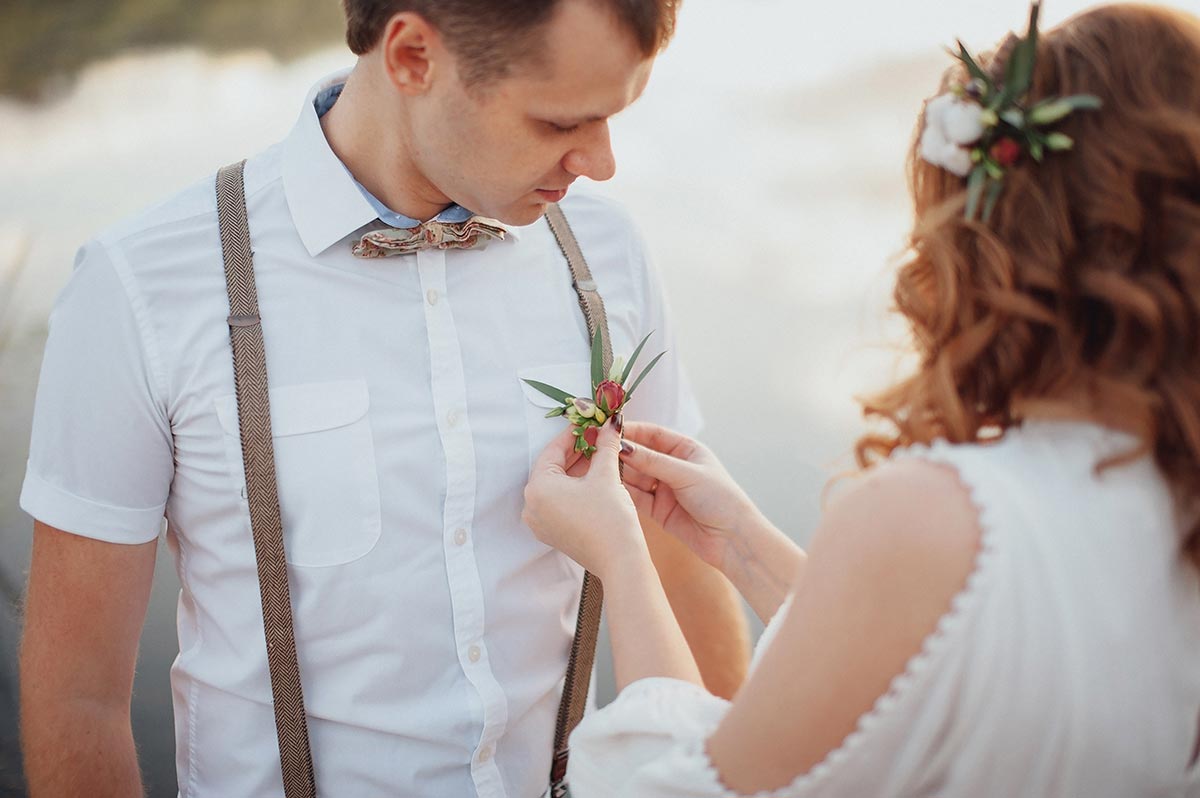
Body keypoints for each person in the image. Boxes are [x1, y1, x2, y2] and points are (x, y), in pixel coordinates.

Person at [16, 1, 752, 795]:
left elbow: (682, 557)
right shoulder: (141, 287)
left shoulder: (608, 253)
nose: (601, 162)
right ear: (410, 56)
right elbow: (79, 698)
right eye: (558, 122)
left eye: (612, 117)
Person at [522, 4, 1200, 796]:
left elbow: (667, 787)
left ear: (987, 240)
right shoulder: (1167, 488)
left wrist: (622, 559)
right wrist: (741, 542)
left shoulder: (934, 512)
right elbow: (944, 660)